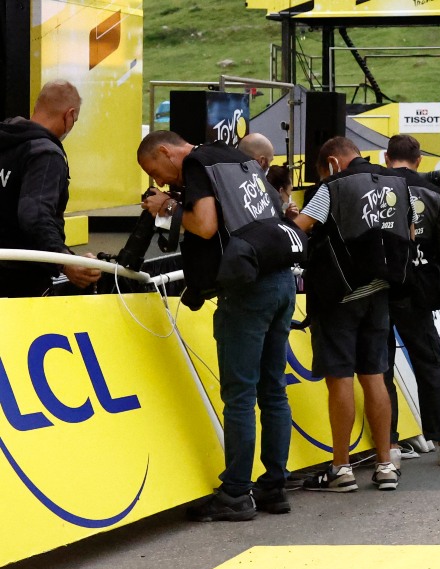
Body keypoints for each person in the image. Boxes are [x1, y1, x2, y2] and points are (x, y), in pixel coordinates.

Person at [137, 130, 301, 521]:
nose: (158, 181)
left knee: (240, 395)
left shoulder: (195, 164)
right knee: (273, 389)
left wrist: (166, 208)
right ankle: (274, 486)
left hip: (247, 289)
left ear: (165, 151)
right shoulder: (234, 157)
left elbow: (207, 225)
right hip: (281, 279)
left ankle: (236, 493)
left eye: (154, 170)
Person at [292, 137, 407, 492]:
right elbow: (410, 232)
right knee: (375, 374)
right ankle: (385, 464)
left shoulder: (333, 186)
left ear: (331, 162)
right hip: (381, 290)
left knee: (339, 377)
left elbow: (300, 229)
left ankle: (341, 468)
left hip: (338, 295)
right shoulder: (397, 183)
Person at [382, 134, 440, 466]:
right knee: (429, 363)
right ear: (419, 161)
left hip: (379, 286)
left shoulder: (373, 188)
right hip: (417, 288)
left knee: (379, 367)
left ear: (387, 158)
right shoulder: (432, 194)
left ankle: (391, 446)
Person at [0, 80, 101, 297]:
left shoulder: (6, 140)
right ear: (69, 115)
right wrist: (65, 261)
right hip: (20, 279)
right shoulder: (45, 154)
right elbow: (34, 216)